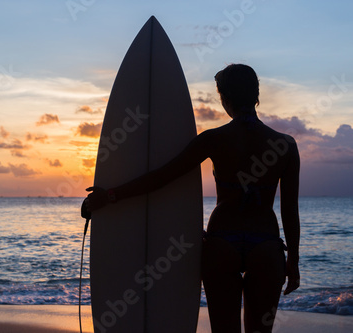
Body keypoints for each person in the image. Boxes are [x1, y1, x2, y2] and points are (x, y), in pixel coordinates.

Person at [85, 64, 300, 333]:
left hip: (222, 243)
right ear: (256, 95)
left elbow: (163, 177)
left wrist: (112, 195)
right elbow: (290, 209)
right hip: (266, 245)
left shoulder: (214, 139)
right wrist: (294, 260)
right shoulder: (285, 145)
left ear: (225, 98)